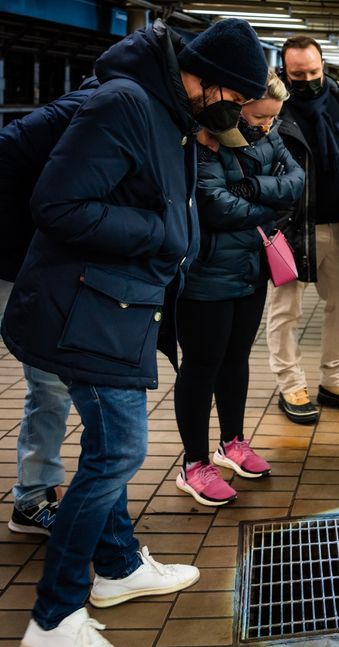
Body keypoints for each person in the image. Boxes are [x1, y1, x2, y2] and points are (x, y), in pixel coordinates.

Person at [2, 18, 268, 646]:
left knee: (105, 446)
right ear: (211, 83)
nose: (234, 114)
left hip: (116, 307)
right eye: (233, 100)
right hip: (83, 312)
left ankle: (117, 568)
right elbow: (58, 205)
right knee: (119, 453)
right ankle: (54, 616)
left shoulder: (166, 109)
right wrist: (163, 238)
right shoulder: (125, 102)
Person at [174, 71, 304, 506]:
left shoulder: (267, 135)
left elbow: (297, 182)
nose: (268, 127)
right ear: (240, 104)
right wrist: (267, 203)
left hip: (251, 268)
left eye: (274, 120)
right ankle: (194, 465)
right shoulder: (203, 138)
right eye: (262, 117)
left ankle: (232, 442)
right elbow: (213, 205)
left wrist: (250, 188)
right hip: (207, 273)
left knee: (236, 359)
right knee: (201, 364)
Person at [0, 77, 99, 536]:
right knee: (49, 390)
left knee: (57, 390)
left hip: (79, 273)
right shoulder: (83, 108)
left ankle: (39, 494)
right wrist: (29, 233)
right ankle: (32, 498)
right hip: (49, 274)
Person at [268, 36, 339, 424]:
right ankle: (290, 384)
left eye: (314, 71)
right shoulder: (273, 106)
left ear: (323, 64)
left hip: (338, 224)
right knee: (286, 309)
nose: (308, 79)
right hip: (290, 228)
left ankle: (334, 379)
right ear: (284, 70)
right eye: (298, 74)